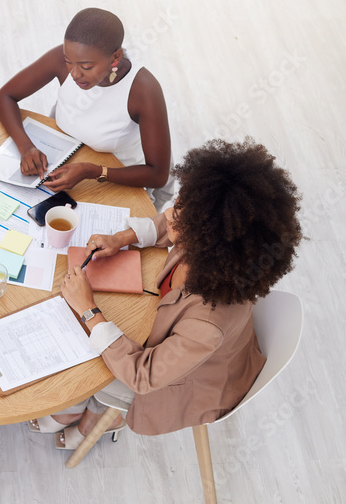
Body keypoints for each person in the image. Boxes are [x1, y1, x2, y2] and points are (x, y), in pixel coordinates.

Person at [29, 139, 302, 449]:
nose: (170, 212)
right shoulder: (211, 243)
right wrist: (122, 238)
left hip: (182, 383)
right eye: (180, 203)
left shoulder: (207, 324)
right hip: (174, 344)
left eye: (182, 214)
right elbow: (167, 224)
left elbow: (142, 376)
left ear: (208, 238)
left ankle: (99, 413)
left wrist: (89, 310)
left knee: (84, 354)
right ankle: (79, 408)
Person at [0, 7, 175, 209]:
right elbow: (5, 96)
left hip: (118, 176)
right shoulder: (67, 59)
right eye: (68, 62)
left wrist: (94, 172)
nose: (74, 74)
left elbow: (158, 175)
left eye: (86, 67)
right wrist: (26, 147)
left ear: (116, 57)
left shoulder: (144, 90)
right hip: (64, 155)